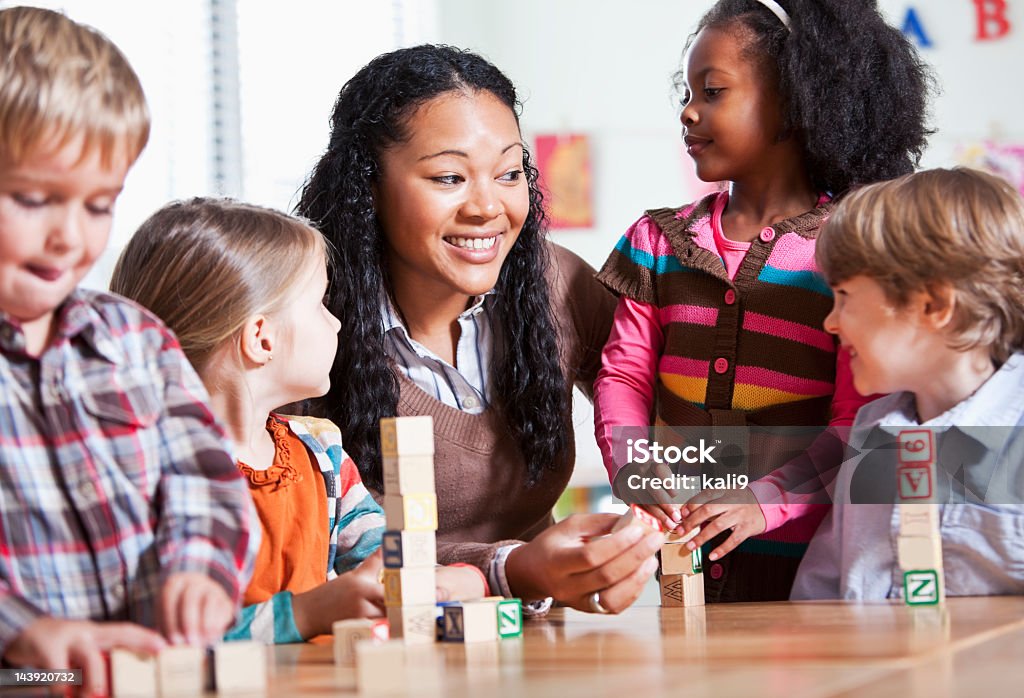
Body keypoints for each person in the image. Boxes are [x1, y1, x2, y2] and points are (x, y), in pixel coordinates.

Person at [296, 45, 663, 615]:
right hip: (385, 654)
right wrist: (517, 570)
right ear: (366, 184)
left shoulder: (556, 284)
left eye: (510, 172)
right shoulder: (307, 327)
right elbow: (328, 555)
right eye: (449, 177)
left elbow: (671, 409)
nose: (488, 206)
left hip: (539, 646)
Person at [594, 0, 931, 601]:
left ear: (797, 99)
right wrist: (631, 463)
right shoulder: (656, 242)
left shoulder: (850, 248)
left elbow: (857, 419)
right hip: (685, 565)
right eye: (689, 91)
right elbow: (624, 374)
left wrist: (764, 503)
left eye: (714, 91)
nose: (688, 111)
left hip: (809, 566)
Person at [0, 7, 255, 692]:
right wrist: (22, 631)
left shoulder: (136, 341)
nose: (68, 237)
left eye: (98, 204)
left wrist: (200, 567)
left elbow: (204, 479)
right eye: (32, 198)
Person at [111, 198, 489, 642]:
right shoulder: (148, 473)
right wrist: (306, 614)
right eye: (319, 305)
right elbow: (160, 641)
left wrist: (449, 580)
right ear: (261, 338)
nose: (336, 323)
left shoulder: (321, 453)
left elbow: (384, 564)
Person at [791, 168, 1024, 599]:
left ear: (933, 305)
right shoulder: (869, 431)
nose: (830, 321)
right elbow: (820, 593)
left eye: (844, 297)